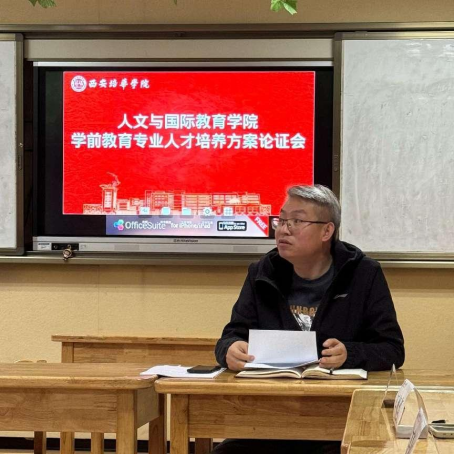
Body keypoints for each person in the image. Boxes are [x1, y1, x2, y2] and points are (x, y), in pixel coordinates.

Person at [213, 184, 405, 454]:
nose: (284, 229)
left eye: (297, 221)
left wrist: (349, 354)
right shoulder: (263, 272)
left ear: (327, 231)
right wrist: (229, 350)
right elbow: (230, 337)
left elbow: (392, 349)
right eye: (281, 220)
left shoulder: (363, 273)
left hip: (339, 420)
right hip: (270, 417)